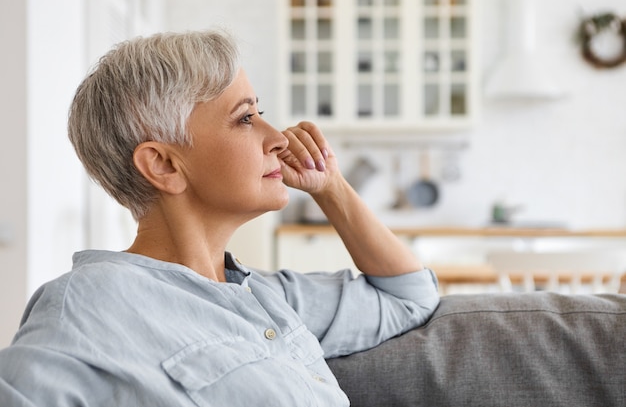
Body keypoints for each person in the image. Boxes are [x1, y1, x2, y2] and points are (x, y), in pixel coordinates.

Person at [0, 30, 439, 406]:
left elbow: (410, 296)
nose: (279, 139)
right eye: (245, 118)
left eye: (259, 113)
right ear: (164, 166)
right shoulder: (89, 303)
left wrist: (332, 188)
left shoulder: (271, 298)